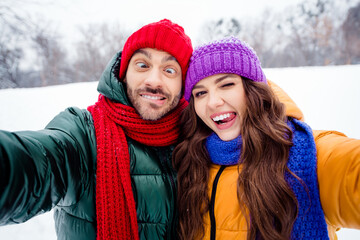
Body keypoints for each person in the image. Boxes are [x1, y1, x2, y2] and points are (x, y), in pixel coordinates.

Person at [0, 19, 193, 240]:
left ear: (183, 83)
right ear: (124, 72)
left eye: (169, 70)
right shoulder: (84, 132)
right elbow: (39, 161)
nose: (154, 80)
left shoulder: (197, 139)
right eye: (143, 65)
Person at [172, 36, 360, 240]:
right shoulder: (190, 161)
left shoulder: (307, 156)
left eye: (226, 84)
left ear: (253, 89)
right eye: (200, 93)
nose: (213, 102)